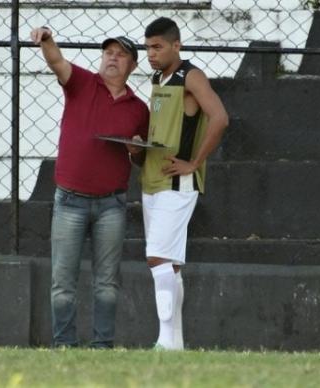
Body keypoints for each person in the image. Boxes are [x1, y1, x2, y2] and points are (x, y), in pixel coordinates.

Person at [30, 26, 149, 349]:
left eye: (121, 54)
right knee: (63, 283)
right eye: (109, 52)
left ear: (132, 67)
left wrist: (137, 150)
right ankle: (65, 345)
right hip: (69, 201)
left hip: (112, 204)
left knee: (107, 284)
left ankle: (102, 347)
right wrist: (47, 39)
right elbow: (57, 62)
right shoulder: (81, 83)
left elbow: (139, 159)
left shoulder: (139, 109)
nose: (113, 58)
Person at [137, 17, 229, 350]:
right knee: (171, 265)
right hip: (152, 180)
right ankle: (175, 342)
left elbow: (220, 118)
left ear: (177, 45)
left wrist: (194, 162)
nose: (151, 53)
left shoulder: (191, 75)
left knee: (157, 259)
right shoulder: (157, 77)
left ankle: (163, 343)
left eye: (158, 46)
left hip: (177, 184)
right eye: (148, 47)